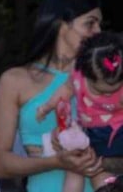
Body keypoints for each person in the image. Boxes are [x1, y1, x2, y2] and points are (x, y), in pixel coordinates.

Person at [0, 0, 105, 191]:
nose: (98, 31)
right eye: (90, 24)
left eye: (99, 24)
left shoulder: (106, 78)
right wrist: (55, 162)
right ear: (61, 25)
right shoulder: (16, 80)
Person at [37, 31, 123, 190]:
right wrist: (47, 106)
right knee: (78, 166)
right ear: (86, 76)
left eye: (114, 90)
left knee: (101, 170)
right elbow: (65, 90)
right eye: (100, 91)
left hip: (118, 130)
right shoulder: (78, 76)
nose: (108, 95)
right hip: (91, 131)